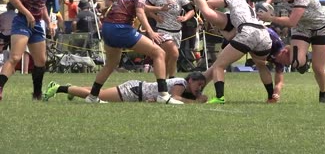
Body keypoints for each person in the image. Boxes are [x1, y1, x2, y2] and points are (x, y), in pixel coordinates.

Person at [84, 0, 183, 104]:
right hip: (121, 28)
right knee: (159, 53)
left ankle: (92, 96)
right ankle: (163, 95)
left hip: (108, 27)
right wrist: (151, 32)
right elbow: (140, 12)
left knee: (111, 64)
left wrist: (159, 9)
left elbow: (140, 6)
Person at [174, 0, 273, 104]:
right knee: (261, 65)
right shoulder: (250, 9)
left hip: (247, 32)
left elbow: (208, 4)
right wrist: (220, 28)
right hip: (263, 34)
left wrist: (210, 17)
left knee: (218, 66)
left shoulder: (234, 0)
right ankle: (272, 96)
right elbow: (230, 35)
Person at [261, 0, 325, 103]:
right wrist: (266, 5)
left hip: (320, 28)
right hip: (301, 28)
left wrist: (269, 18)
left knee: (318, 68)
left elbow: (292, 21)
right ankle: (302, 59)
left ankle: (323, 92)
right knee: (296, 63)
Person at [0, 0, 56, 100]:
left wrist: (48, 21)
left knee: (41, 61)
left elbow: (41, 5)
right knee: (15, 57)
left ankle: (37, 94)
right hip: (22, 22)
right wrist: (28, 14)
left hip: (36, 25)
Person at [43, 72, 207, 103]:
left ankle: (73, 88)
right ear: (190, 79)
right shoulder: (181, 84)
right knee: (97, 96)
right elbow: (176, 99)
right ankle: (58, 88)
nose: (199, 88)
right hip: (133, 91)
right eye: (198, 84)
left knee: (99, 93)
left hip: (136, 89)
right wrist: (196, 102)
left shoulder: (184, 86)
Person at [147, 0, 195, 78]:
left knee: (170, 57)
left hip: (177, 31)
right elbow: (145, 9)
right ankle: (170, 79)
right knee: (174, 53)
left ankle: (166, 79)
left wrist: (185, 18)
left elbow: (192, 11)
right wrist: (155, 17)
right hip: (162, 30)